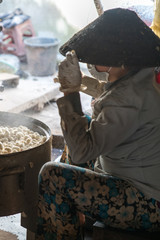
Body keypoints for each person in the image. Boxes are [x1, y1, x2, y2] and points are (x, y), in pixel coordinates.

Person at [37, 8, 160, 240]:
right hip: (140, 177)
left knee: (53, 176)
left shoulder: (125, 99)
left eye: (97, 59)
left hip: (148, 203)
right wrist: (83, 84)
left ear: (118, 61)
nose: (91, 62)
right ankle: (76, 217)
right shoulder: (142, 73)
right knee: (77, 131)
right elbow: (112, 93)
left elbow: (83, 150)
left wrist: (70, 91)